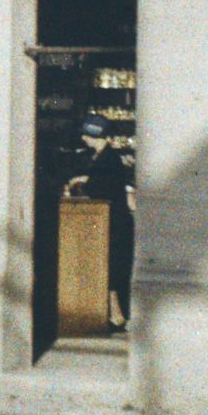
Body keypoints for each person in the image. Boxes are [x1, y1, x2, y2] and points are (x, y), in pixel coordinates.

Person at [67, 113, 135, 331]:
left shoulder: (109, 159)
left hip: (113, 224)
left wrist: (84, 182)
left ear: (95, 135)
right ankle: (114, 314)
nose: (84, 139)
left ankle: (116, 315)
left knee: (112, 271)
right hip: (110, 222)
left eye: (87, 135)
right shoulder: (101, 157)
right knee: (110, 270)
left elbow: (102, 188)